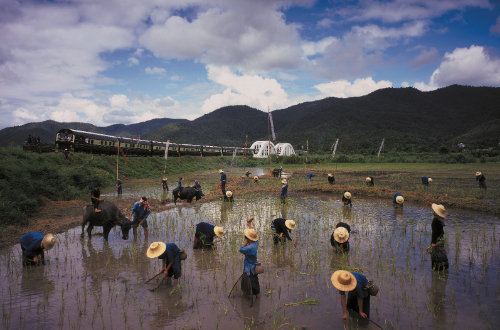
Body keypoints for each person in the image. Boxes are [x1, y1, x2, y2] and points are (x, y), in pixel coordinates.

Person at [239, 217, 260, 299]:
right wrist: (249, 224)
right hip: (253, 267)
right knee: (255, 285)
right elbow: (253, 234)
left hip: (249, 269)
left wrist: (246, 242)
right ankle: (258, 301)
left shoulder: (249, 248)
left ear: (248, 239)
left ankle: (254, 300)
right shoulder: (256, 243)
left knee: (251, 285)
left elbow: (240, 249)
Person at [430, 203, 449, 271]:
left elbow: (434, 233)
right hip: (441, 239)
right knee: (441, 254)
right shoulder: (440, 219)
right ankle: (443, 268)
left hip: (437, 240)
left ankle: (436, 269)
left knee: (435, 255)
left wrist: (433, 243)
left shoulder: (435, 221)